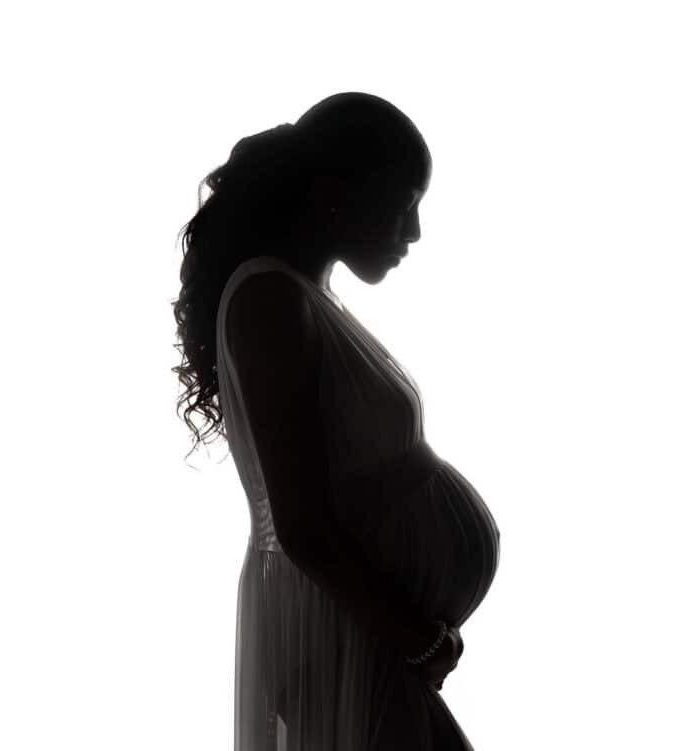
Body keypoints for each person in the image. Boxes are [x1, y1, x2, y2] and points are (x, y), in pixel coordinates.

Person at [172, 92, 501, 750]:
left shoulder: (303, 297)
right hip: (337, 634)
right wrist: (419, 634)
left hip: (363, 636)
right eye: (403, 202)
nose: (412, 232)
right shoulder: (269, 301)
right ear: (337, 191)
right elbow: (302, 522)